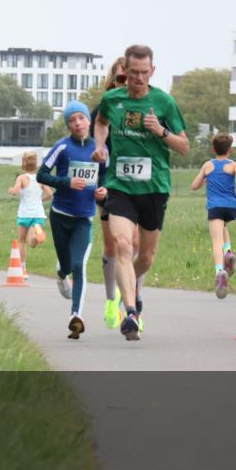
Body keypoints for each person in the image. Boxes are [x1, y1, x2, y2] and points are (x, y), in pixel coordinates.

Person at [93, 44, 190, 340]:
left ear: (152, 71)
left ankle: (131, 289)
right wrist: (99, 146)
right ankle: (131, 312)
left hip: (154, 188)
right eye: (132, 72)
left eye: (143, 73)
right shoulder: (112, 99)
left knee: (145, 257)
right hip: (120, 186)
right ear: (125, 70)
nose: (137, 78)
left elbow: (184, 147)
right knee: (122, 245)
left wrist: (160, 131)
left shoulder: (164, 102)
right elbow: (100, 121)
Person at [38, 102, 107, 340]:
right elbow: (41, 174)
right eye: (71, 120)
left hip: (83, 219)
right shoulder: (62, 147)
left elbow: (105, 177)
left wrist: (103, 191)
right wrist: (67, 182)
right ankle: (61, 273)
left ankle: (75, 315)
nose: (77, 123)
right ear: (68, 125)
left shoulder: (100, 150)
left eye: (81, 118)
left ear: (89, 121)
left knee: (79, 266)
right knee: (66, 266)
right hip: (60, 216)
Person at [91, 56, 138, 328]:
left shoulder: (146, 107)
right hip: (108, 182)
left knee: (136, 246)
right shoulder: (103, 108)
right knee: (114, 245)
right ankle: (112, 301)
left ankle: (134, 305)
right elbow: (89, 144)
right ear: (113, 80)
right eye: (121, 79)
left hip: (139, 184)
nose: (126, 84)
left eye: (130, 79)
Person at [191, 133, 236, 299]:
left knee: (216, 241)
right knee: (223, 225)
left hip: (215, 206)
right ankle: (228, 251)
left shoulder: (208, 165)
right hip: (231, 207)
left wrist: (206, 178)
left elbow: (194, 186)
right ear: (230, 150)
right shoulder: (233, 165)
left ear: (212, 149)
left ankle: (220, 271)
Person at [8, 151, 52, 278]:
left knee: (22, 241)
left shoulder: (21, 178)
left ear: (24, 164)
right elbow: (49, 194)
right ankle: (38, 235)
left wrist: (11, 190)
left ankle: (23, 270)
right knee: (32, 240)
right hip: (38, 213)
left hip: (24, 214)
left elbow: (15, 191)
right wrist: (39, 200)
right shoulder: (41, 178)